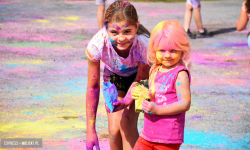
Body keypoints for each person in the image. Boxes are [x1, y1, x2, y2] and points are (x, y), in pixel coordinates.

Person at [85, 0, 151, 149]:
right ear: (105, 28)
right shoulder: (97, 44)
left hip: (139, 79)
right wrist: (91, 130)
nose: (121, 38)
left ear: (136, 27)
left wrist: (127, 101)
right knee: (114, 131)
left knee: (127, 125)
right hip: (114, 76)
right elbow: (92, 87)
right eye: (114, 32)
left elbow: (141, 79)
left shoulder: (145, 44)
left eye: (127, 31)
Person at [132, 20, 192, 150]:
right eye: (162, 50)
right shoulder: (154, 69)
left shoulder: (180, 74)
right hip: (148, 133)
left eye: (173, 50)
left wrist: (157, 110)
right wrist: (141, 95)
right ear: (154, 49)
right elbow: (154, 95)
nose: (167, 55)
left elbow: (185, 103)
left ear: (182, 49)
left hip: (168, 137)